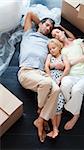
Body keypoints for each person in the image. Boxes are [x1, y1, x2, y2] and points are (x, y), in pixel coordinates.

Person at [18, 12, 60, 142]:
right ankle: (41, 110)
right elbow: (29, 14)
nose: (48, 28)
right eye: (46, 25)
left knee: (56, 90)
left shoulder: (49, 42)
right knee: (47, 84)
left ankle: (40, 120)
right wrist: (41, 23)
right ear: (40, 24)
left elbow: (68, 41)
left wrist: (58, 30)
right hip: (27, 71)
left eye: (50, 28)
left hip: (41, 73)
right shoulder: (28, 33)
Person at [51, 28, 84, 130]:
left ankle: (76, 115)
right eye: (54, 35)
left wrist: (69, 62)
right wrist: (61, 65)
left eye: (57, 32)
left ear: (62, 32)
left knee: (76, 90)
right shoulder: (62, 50)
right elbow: (61, 66)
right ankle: (73, 104)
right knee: (64, 85)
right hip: (70, 76)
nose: (56, 35)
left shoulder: (78, 42)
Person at [45, 38, 70, 138]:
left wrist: (61, 79)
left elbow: (67, 68)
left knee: (59, 105)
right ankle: (55, 129)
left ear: (59, 47)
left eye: (53, 48)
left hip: (61, 80)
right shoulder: (49, 56)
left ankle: (55, 129)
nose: (52, 50)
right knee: (51, 104)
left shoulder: (63, 56)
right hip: (51, 80)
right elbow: (46, 67)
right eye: (50, 49)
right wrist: (50, 78)